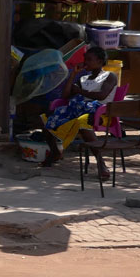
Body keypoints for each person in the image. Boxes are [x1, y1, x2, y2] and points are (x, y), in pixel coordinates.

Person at [40, 45, 117, 179]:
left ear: (99, 61)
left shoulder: (109, 76)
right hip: (80, 110)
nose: (85, 62)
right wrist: (73, 74)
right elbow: (65, 95)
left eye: (89, 59)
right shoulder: (84, 78)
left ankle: (101, 163)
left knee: (82, 123)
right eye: (85, 59)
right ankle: (55, 151)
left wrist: (80, 91)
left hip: (101, 113)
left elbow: (101, 95)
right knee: (46, 119)